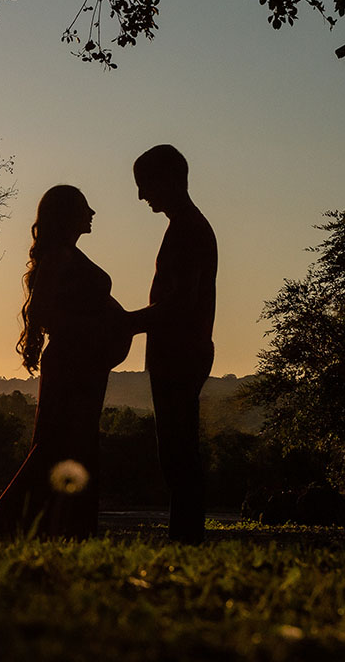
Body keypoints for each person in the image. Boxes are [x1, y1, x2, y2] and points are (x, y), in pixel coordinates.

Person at [0, 185, 132, 539]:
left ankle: (68, 530)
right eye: (85, 207)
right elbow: (45, 311)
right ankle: (7, 530)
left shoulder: (69, 255)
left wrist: (131, 323)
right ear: (68, 215)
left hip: (85, 364)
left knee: (77, 444)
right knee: (58, 445)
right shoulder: (60, 257)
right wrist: (95, 332)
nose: (92, 214)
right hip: (73, 364)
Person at [129, 145, 217, 544]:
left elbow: (179, 302)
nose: (142, 195)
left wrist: (128, 322)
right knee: (176, 450)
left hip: (180, 352)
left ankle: (186, 538)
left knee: (178, 453)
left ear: (168, 180)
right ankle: (184, 535)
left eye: (145, 185)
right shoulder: (186, 225)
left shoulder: (187, 229)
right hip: (181, 350)